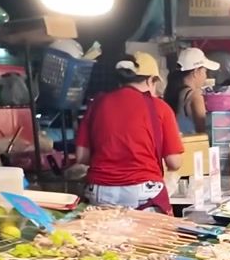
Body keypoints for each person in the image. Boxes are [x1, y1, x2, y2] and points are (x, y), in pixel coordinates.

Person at [75, 51, 184, 213]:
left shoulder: (97, 104)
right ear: (150, 80)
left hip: (100, 190)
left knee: (103, 230)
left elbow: (81, 157)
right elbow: (174, 162)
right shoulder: (160, 108)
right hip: (143, 190)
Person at [170, 46, 219, 136]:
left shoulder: (177, 92)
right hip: (193, 144)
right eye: (205, 71)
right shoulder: (195, 95)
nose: (206, 76)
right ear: (196, 72)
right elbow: (202, 133)